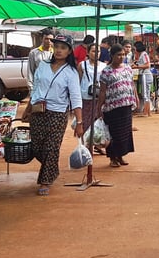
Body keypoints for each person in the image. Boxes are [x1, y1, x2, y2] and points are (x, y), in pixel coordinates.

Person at [29, 34, 83, 196]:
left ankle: (45, 180)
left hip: (58, 113)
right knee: (37, 147)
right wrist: (28, 108)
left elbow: (75, 97)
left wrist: (79, 122)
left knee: (51, 148)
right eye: (57, 47)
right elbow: (35, 87)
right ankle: (52, 169)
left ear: (69, 51)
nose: (59, 50)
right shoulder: (43, 65)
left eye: (63, 48)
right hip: (38, 111)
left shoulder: (71, 72)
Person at [97, 44, 139, 168]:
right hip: (112, 107)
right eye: (118, 55)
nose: (121, 57)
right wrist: (99, 107)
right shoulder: (106, 71)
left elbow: (132, 84)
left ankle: (120, 155)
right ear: (112, 56)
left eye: (123, 55)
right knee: (113, 133)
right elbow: (103, 91)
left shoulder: (128, 68)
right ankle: (113, 158)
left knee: (125, 132)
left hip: (126, 105)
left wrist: (135, 97)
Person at [77, 43, 107, 154]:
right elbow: (79, 80)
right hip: (86, 96)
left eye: (98, 51)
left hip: (100, 97)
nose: (96, 53)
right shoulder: (82, 65)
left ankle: (97, 144)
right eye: (93, 51)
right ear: (88, 52)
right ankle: (86, 145)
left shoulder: (104, 66)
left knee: (98, 121)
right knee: (86, 121)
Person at [27, 29, 54, 95]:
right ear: (42, 39)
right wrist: (31, 88)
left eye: (51, 39)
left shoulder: (55, 53)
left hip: (52, 87)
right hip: (38, 87)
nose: (49, 41)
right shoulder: (34, 53)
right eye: (46, 39)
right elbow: (30, 71)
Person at [132, 42, 152, 117]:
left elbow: (147, 65)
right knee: (146, 93)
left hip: (145, 75)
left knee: (145, 94)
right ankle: (147, 111)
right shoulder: (142, 55)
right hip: (145, 75)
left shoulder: (144, 54)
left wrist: (137, 66)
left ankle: (146, 112)